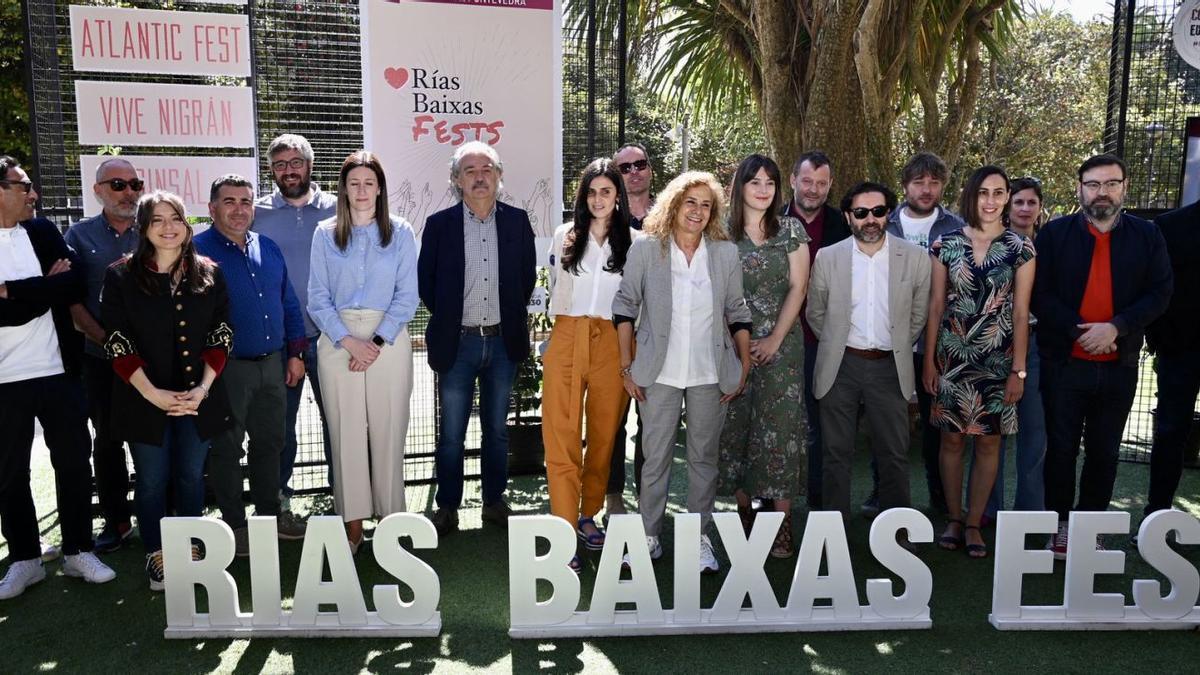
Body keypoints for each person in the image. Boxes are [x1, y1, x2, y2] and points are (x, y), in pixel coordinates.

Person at [611, 171, 752, 574]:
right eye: (691, 202)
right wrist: (626, 365)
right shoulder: (646, 250)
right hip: (658, 373)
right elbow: (624, 306)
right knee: (654, 459)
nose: (698, 211)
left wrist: (741, 366)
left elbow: (737, 311)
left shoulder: (724, 254)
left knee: (703, 460)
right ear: (673, 204)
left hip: (710, 374)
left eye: (707, 205)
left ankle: (698, 540)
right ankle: (649, 538)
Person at [1034, 153, 1171, 559]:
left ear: (1124, 188)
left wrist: (1116, 327)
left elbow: (1160, 291)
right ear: (1080, 189)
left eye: (1111, 183)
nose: (1102, 192)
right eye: (1093, 184)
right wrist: (1082, 330)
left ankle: (1089, 526)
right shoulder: (1055, 235)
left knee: (1104, 451)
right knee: (1059, 450)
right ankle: (1058, 528)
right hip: (1065, 364)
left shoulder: (1148, 236)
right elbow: (1041, 293)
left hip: (1119, 365)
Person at [101, 190, 232, 591]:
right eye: (157, 220)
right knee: (153, 479)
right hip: (144, 398)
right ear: (143, 228)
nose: (168, 227)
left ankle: (190, 549)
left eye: (175, 218)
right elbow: (118, 341)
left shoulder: (209, 272)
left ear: (187, 224)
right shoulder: (121, 275)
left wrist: (203, 390)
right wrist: (153, 394)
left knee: (192, 476)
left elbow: (221, 335)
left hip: (198, 398)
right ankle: (157, 554)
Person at [0, 156, 116, 599]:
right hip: (5, 380)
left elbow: (75, 285)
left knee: (72, 462)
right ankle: (26, 559)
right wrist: (41, 290)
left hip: (60, 372)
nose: (32, 194)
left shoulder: (43, 231)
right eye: (22, 185)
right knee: (9, 473)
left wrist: (16, 291)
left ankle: (77, 551)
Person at [418, 142, 536, 536]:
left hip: (503, 344)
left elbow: (526, 279)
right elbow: (428, 286)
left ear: (499, 176)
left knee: (497, 430)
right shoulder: (439, 226)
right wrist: (455, 320)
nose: (480, 176)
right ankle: (448, 505)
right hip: (459, 344)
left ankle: (493, 502)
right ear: (456, 180)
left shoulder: (518, 222)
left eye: (487, 168)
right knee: (451, 433)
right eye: (470, 170)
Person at [309, 150, 419, 553]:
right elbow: (317, 297)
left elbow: (408, 297)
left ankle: (391, 527)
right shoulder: (325, 233)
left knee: (390, 429)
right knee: (345, 434)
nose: (361, 190)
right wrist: (347, 339)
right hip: (337, 341)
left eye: (368, 183)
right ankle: (352, 528)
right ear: (343, 188)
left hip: (387, 340)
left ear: (380, 188)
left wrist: (373, 343)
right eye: (353, 182)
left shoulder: (401, 232)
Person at [923, 166, 1035, 559]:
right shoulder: (944, 244)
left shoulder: (1021, 248)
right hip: (951, 358)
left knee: (989, 443)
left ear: (1007, 197)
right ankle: (953, 518)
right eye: (984, 192)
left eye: (998, 193)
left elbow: (1021, 313)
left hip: (999, 360)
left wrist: (1018, 370)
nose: (991, 200)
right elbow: (936, 305)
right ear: (972, 195)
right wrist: (929, 363)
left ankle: (974, 523)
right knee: (951, 440)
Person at [195, 175, 309, 555]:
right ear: (213, 209)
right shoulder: (196, 252)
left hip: (274, 364)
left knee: (271, 443)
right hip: (227, 370)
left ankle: (270, 516)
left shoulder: (268, 248)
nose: (239, 209)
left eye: (246, 201)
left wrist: (295, 353)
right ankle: (234, 525)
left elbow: (289, 304)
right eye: (229, 201)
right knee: (227, 449)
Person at [807, 181, 930, 526]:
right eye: (861, 213)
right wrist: (837, 346)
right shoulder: (828, 257)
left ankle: (897, 534)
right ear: (848, 216)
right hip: (840, 366)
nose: (870, 219)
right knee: (835, 455)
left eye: (878, 211)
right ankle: (832, 536)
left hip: (890, 367)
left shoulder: (916, 258)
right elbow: (817, 314)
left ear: (888, 213)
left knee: (893, 455)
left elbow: (918, 316)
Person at [717, 154, 811, 558]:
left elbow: (798, 288)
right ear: (740, 187)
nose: (762, 189)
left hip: (782, 348)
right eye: (754, 181)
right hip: (729, 346)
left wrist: (773, 338)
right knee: (736, 428)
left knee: (780, 432)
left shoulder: (791, 230)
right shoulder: (719, 233)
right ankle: (744, 519)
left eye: (770, 182)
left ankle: (782, 524)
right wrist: (738, 344)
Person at [544, 158, 634, 572]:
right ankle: (564, 529)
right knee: (560, 433)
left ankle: (588, 514)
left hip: (613, 343)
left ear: (618, 197)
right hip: (566, 336)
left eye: (606, 192)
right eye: (591, 191)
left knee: (603, 435)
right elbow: (550, 291)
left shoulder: (635, 243)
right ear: (582, 196)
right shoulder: (565, 236)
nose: (598, 200)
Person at [253, 133, 337, 505]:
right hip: (281, 340)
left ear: (310, 165)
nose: (289, 170)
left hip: (333, 336)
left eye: (296, 162)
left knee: (337, 423)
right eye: (280, 164)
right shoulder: (255, 212)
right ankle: (279, 498)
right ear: (271, 170)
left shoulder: (340, 207)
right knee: (278, 427)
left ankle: (345, 494)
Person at [64, 157, 141, 552]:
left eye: (134, 183)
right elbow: (73, 303)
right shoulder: (77, 237)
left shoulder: (155, 230)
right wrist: (112, 345)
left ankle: (161, 518)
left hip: (152, 360)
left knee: (153, 439)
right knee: (108, 442)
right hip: (101, 359)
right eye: (117, 184)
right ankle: (118, 521)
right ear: (97, 191)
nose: (128, 192)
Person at [883, 151, 964, 517]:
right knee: (888, 421)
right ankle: (881, 494)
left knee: (936, 423)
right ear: (905, 186)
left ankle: (939, 495)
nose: (927, 189)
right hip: (888, 339)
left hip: (940, 342)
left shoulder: (957, 227)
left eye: (934, 182)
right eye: (919, 182)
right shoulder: (883, 224)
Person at [785, 150, 850, 509]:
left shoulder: (843, 225)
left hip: (825, 341)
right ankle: (771, 504)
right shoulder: (770, 221)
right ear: (793, 180)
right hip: (778, 340)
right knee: (777, 424)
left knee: (821, 428)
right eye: (807, 181)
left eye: (821, 183)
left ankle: (819, 504)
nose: (813, 189)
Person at [980, 176, 1047, 517]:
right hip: (993, 346)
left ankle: (1029, 516)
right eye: (1018, 201)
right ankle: (986, 513)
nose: (1024, 208)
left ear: (1039, 207)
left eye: (1031, 202)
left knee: (1034, 434)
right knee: (991, 434)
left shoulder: (1049, 244)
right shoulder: (990, 243)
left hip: (1035, 346)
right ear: (1008, 204)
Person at [1143, 198, 1200, 525]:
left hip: (1179, 348)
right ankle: (1155, 517)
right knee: (1170, 433)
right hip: (1180, 350)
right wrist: (1161, 337)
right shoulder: (1171, 225)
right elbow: (1156, 286)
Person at [605, 142, 655, 519]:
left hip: (656, 337)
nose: (634, 171)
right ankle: (613, 497)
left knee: (653, 424)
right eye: (625, 168)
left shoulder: (669, 216)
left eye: (641, 164)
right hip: (613, 337)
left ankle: (649, 499)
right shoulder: (605, 218)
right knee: (613, 421)